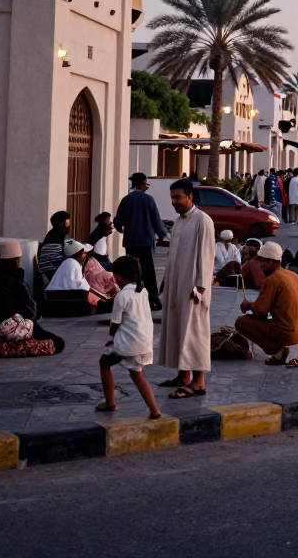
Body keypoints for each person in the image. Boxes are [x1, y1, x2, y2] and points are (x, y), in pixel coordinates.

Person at [158, 178, 215, 399]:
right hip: (176, 285)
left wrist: (200, 287)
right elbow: (173, 256)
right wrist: (165, 283)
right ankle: (183, 376)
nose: (174, 202)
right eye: (172, 197)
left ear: (190, 196)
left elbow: (207, 256)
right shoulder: (180, 221)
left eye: (177, 197)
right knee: (178, 329)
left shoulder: (203, 220)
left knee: (194, 333)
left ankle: (198, 383)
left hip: (194, 288)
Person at [0, 241, 65, 352]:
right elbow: (29, 312)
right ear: (17, 261)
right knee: (48, 336)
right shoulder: (15, 281)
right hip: (2, 329)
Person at [96, 256, 160, 419]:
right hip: (144, 342)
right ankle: (155, 410)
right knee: (137, 376)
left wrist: (113, 335)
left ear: (117, 276)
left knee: (104, 363)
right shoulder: (143, 292)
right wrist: (117, 339)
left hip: (128, 345)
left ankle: (110, 401)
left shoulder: (121, 296)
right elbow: (135, 322)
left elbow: (115, 324)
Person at [235, 240, 298, 365]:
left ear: (271, 261)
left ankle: (278, 350)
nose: (260, 265)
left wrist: (247, 305)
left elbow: (260, 311)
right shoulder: (293, 275)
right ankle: (284, 347)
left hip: (288, 333)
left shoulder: (272, 280)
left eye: (263, 261)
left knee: (241, 322)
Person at [114, 172, 170, 310]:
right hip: (145, 242)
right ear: (141, 184)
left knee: (133, 270)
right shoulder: (149, 200)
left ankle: (134, 297)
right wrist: (165, 236)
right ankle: (153, 299)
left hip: (131, 241)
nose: (147, 186)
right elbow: (156, 221)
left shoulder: (126, 200)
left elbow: (118, 221)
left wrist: (120, 229)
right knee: (148, 270)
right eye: (146, 184)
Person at [37, 211, 71, 280]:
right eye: (67, 222)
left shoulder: (51, 234)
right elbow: (58, 260)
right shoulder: (57, 237)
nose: (69, 225)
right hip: (53, 275)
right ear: (61, 224)